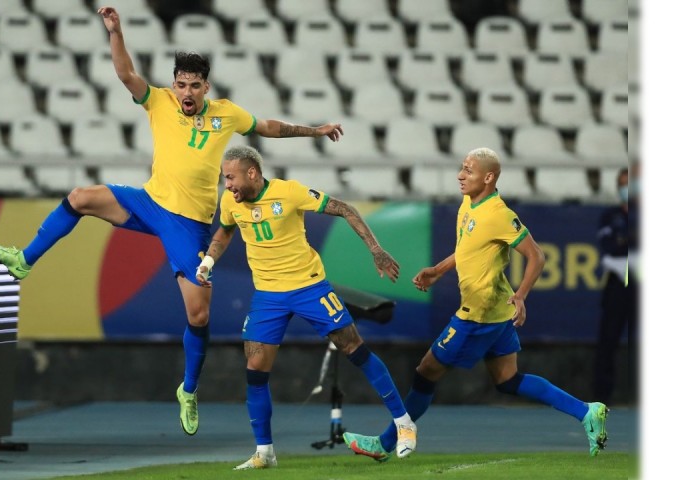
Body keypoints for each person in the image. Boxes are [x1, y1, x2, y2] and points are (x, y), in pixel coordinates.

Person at [0, 5, 345, 437]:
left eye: (193, 85)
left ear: (205, 86)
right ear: (173, 84)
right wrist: (116, 32)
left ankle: (188, 389)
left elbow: (267, 126)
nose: (186, 92)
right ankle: (24, 260)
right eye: (180, 84)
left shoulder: (225, 113)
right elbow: (124, 74)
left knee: (198, 314)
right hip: (149, 202)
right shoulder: (159, 101)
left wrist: (314, 131)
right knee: (80, 197)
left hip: (188, 224)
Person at [341, 147, 609, 461]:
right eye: (462, 168)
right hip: (496, 312)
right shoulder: (469, 203)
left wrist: (521, 295)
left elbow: (537, 256)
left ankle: (387, 443)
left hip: (477, 316)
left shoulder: (499, 214)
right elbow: (468, 248)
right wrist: (438, 271)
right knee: (507, 380)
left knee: (426, 371)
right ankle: (587, 411)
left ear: (489, 177)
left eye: (468, 170)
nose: (460, 175)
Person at [195, 145, 416, 470]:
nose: (226, 185)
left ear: (252, 173)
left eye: (230, 177)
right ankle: (265, 452)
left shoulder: (290, 192)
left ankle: (404, 423)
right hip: (268, 295)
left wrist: (376, 250)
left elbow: (345, 209)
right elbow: (225, 230)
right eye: (224, 178)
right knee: (255, 369)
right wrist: (210, 261)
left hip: (309, 286)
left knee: (354, 347)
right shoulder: (230, 201)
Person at [593, 167, 638, 405]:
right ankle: (602, 397)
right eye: (623, 184)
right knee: (608, 340)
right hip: (619, 283)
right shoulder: (610, 215)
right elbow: (610, 247)